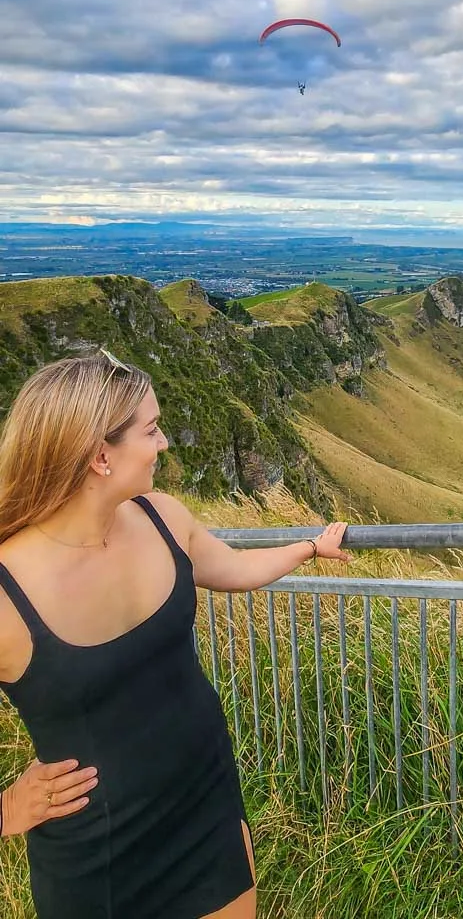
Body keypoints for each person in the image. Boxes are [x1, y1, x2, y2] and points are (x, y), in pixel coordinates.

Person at [0, 350, 351, 918]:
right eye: (152, 430)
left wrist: (311, 547)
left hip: (205, 800)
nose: (165, 443)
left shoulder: (162, 517)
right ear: (99, 456)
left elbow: (233, 570)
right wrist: (4, 811)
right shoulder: (6, 594)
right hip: (100, 856)